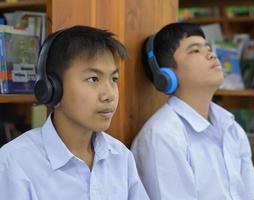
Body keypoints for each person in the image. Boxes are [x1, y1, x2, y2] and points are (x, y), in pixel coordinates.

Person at [0, 25, 149, 200]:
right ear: (52, 88)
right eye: (93, 79)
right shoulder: (14, 163)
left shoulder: (120, 156)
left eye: (113, 79)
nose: (109, 95)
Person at [131, 22, 254, 200]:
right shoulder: (161, 136)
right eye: (195, 50)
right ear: (167, 76)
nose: (211, 54)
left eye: (208, 47)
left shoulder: (231, 128)